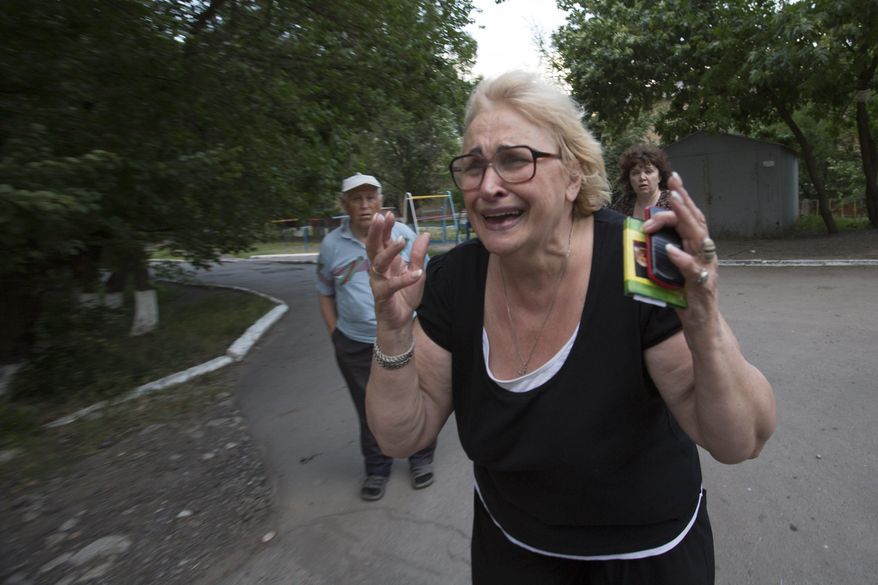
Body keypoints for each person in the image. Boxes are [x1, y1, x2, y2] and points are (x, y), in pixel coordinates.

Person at [364, 71, 776, 584]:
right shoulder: (454, 280)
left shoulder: (637, 258)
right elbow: (400, 435)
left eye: (516, 160)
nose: (489, 186)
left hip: (642, 559)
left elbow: (742, 440)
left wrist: (705, 322)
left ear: (574, 176)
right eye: (473, 166)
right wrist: (394, 332)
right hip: (510, 550)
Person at [316, 172, 437, 502]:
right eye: (356, 198)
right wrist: (335, 335)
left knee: (415, 396)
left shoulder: (402, 235)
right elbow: (324, 292)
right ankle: (377, 468)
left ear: (381, 201)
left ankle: (421, 458)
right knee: (367, 406)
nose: (365, 205)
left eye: (370, 197)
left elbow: (425, 281)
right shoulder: (330, 246)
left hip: (404, 335)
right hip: (355, 343)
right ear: (345, 205)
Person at [611, 143, 674, 218]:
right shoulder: (623, 204)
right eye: (635, 173)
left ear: (660, 176)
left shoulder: (672, 203)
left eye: (648, 172)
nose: (642, 177)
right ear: (628, 178)